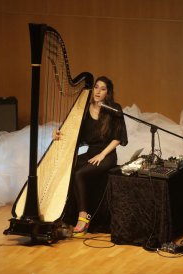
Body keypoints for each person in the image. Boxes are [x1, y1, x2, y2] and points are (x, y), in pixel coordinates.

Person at [53, 76, 128, 237]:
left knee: (79, 173)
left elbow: (118, 137)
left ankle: (83, 216)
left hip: (107, 155)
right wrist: (59, 135)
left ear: (108, 93)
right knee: (69, 168)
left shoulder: (114, 109)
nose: (98, 91)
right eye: (96, 87)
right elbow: (75, 136)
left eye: (103, 88)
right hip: (91, 153)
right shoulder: (84, 110)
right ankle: (61, 213)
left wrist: (102, 154)